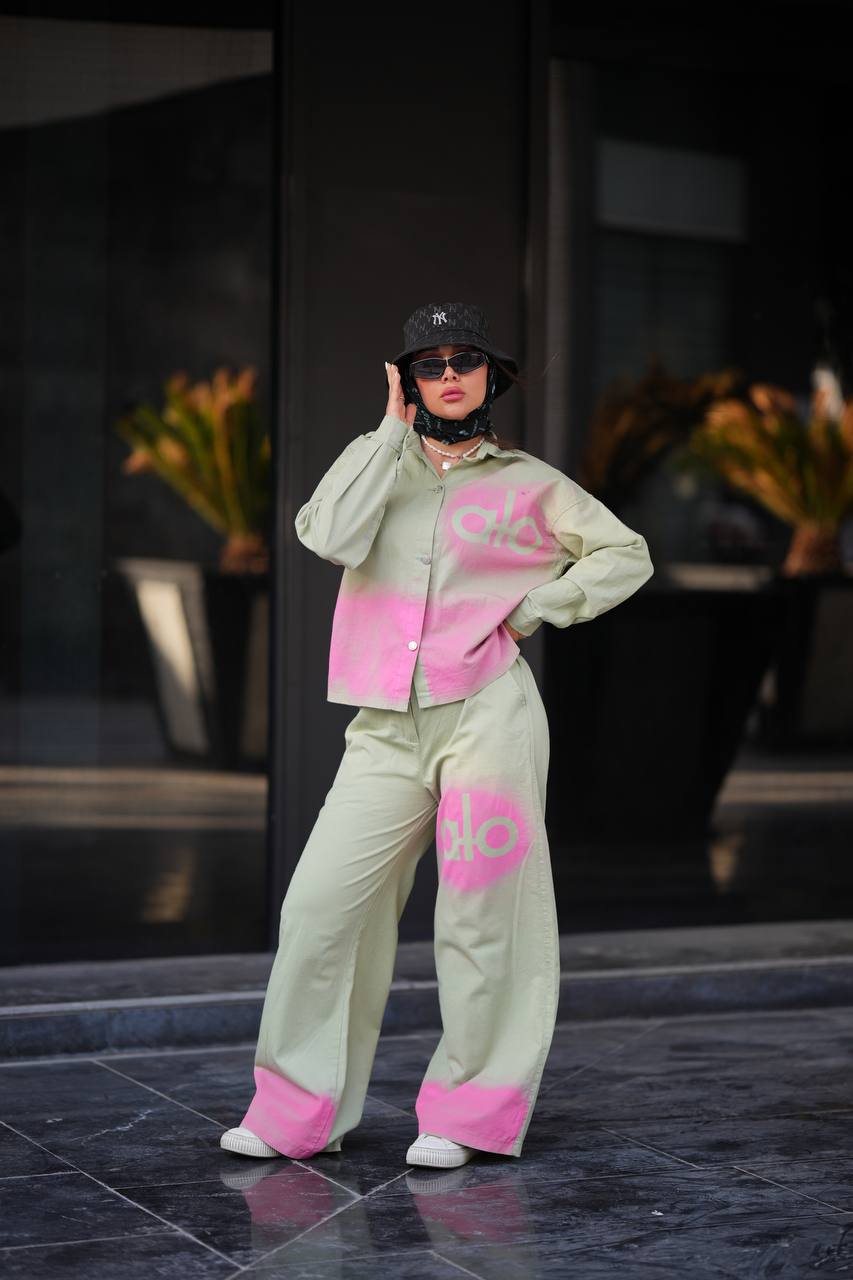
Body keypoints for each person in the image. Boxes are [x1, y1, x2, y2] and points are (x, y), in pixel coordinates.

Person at [220, 302, 654, 1169]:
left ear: (493, 376)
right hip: (384, 727)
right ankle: (298, 1114)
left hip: (488, 715)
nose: (448, 375)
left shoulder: (532, 483)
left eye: (465, 360)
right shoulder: (373, 464)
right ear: (406, 379)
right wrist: (389, 432)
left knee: (484, 917)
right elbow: (326, 536)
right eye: (428, 363)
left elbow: (625, 553)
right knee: (320, 910)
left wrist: (534, 607)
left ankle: (469, 1115)